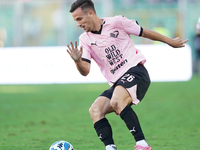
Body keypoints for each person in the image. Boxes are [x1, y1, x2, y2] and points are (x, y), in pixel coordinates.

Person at [66, 0, 188, 150]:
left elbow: (144, 32)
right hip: (117, 82)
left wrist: (170, 42)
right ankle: (110, 148)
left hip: (136, 71)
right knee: (95, 110)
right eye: (75, 21)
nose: (78, 24)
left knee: (116, 100)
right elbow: (85, 71)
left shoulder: (117, 22)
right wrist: (77, 61)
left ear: (90, 13)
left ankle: (142, 145)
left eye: (79, 19)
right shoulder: (85, 39)